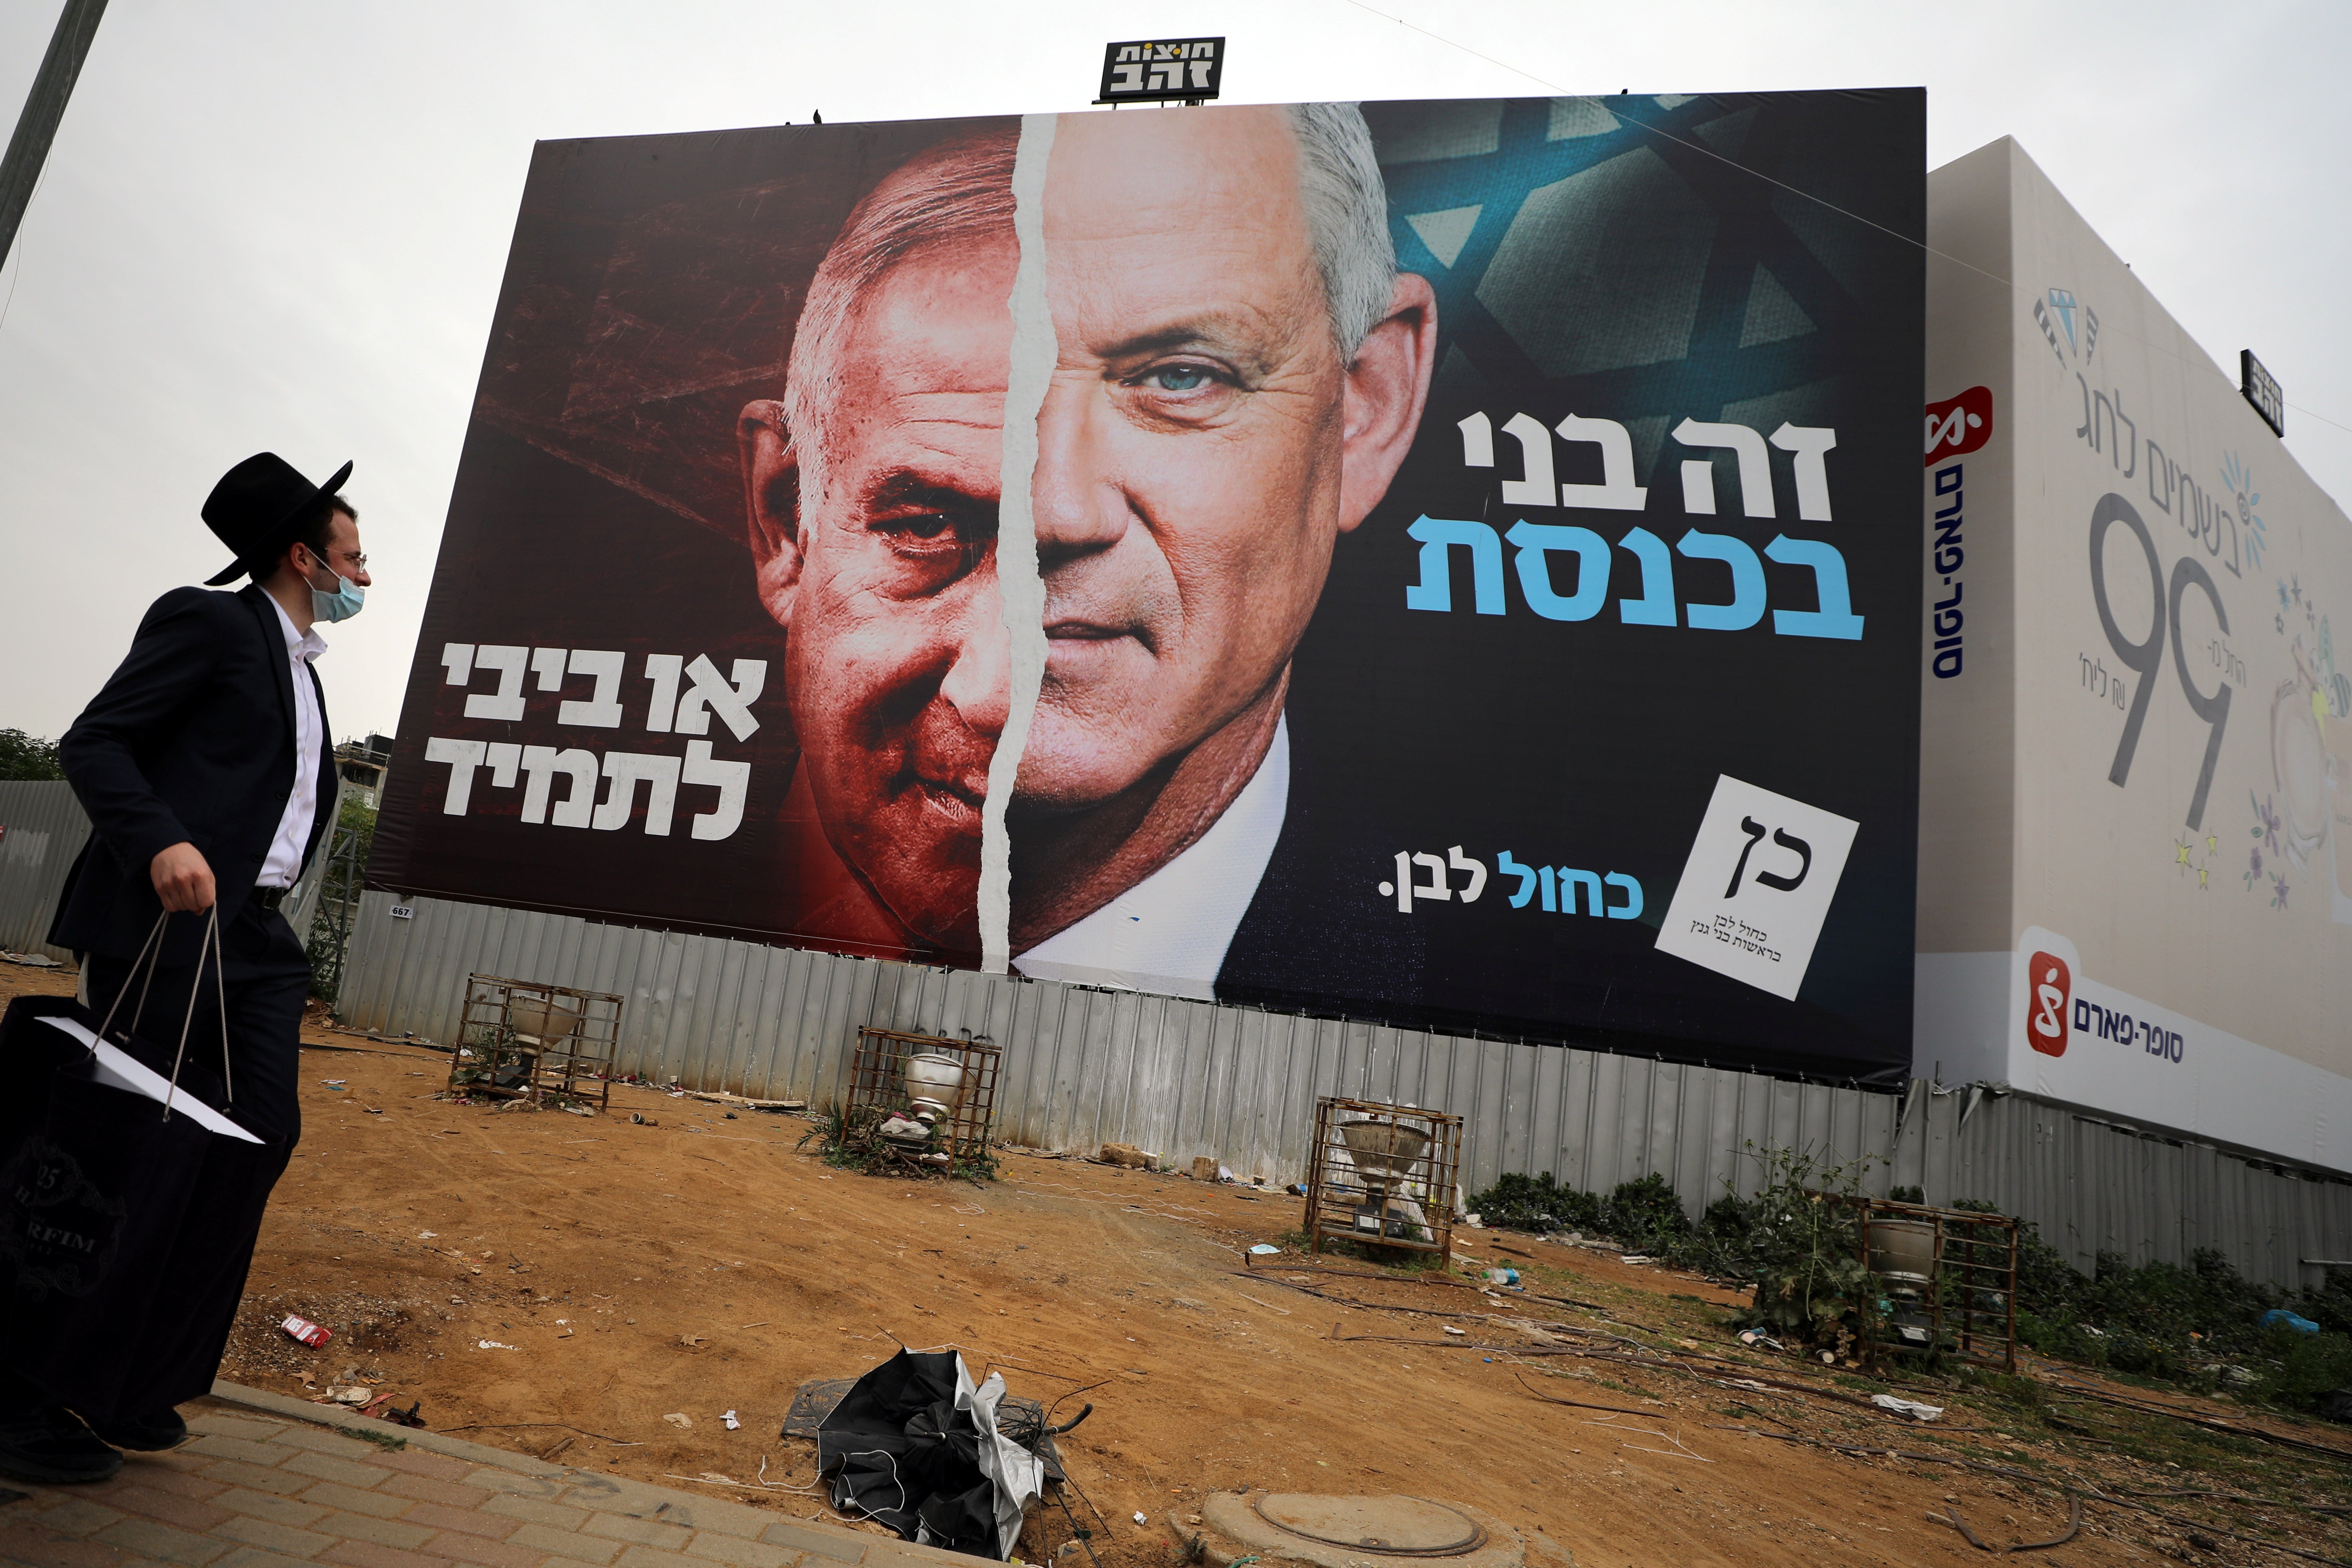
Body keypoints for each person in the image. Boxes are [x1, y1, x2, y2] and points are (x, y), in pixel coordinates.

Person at [736, 105, 1434, 993]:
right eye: (925, 525)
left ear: (1364, 403)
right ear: (783, 520)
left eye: (1182, 376)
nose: (1055, 507)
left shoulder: (1532, 982)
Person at [1, 453, 370, 1484]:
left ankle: (130, 1374)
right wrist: (160, 840)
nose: (365, 578)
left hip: (254, 943)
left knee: (254, 1137)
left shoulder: (301, 666)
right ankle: (22, 1396)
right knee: (115, 1158)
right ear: (301, 555)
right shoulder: (209, 623)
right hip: (165, 929)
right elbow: (97, 743)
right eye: (354, 557)